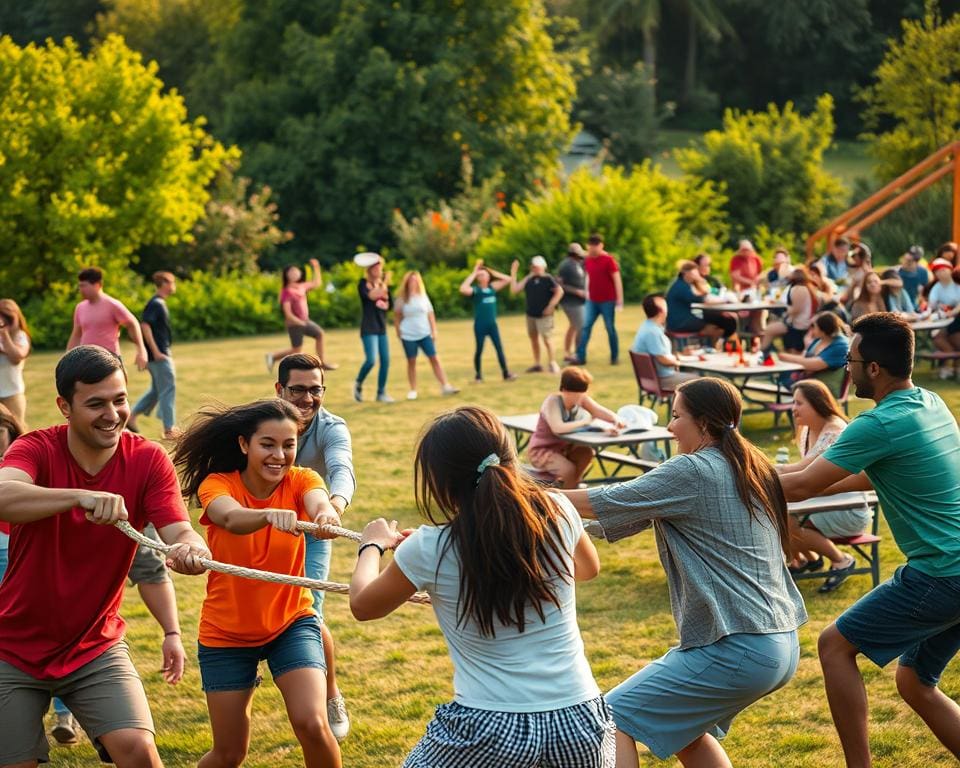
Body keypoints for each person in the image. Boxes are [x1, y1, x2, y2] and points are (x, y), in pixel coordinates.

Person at [349, 405, 616, 767]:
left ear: (441, 481)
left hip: (487, 725)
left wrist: (372, 546)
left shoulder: (429, 548)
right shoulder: (558, 508)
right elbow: (587, 569)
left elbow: (363, 605)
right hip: (579, 718)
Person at [561, 377, 806, 767]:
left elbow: (606, 500)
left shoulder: (691, 470)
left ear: (704, 424)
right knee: (685, 732)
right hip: (780, 643)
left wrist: (521, 495)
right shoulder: (747, 462)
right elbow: (625, 516)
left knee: (607, 719)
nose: (670, 426)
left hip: (739, 645)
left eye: (676, 416)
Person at [0, 345, 209, 768]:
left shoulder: (148, 459)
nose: (112, 414)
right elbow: (3, 495)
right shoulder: (36, 447)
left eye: (120, 400)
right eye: (95, 403)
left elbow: (179, 529)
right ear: (65, 406)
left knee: (139, 752)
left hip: (95, 645)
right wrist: (79, 496)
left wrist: (193, 548)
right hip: (12, 648)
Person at [780, 313, 960, 768]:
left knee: (834, 645)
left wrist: (714, 480)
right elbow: (849, 475)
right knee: (915, 679)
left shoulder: (876, 424)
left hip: (942, 573)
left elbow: (800, 488)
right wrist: (751, 467)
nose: (846, 368)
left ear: (873, 369)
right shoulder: (929, 403)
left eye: (851, 358)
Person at [173, 399, 343, 768]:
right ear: (243, 444)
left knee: (312, 723)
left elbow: (318, 501)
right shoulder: (217, 484)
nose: (279, 455)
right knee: (230, 753)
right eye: (268, 444)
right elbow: (229, 518)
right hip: (226, 634)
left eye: (289, 444)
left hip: (290, 622)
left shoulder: (302, 479)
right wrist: (266, 515)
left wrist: (327, 513)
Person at [275, 354, 355, 742]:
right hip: (263, 526)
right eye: (298, 389)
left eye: (315, 389)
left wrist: (333, 511)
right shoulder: (259, 423)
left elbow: (342, 469)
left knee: (309, 609)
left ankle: (330, 694)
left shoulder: (331, 427)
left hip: (313, 529)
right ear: (280, 390)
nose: (308, 398)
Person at [776, 379, 872, 592]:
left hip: (848, 507)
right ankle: (806, 559)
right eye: (793, 403)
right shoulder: (807, 430)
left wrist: (763, 472)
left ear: (817, 403)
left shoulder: (834, 432)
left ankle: (841, 560)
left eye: (799, 403)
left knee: (784, 518)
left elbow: (802, 469)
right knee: (775, 513)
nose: (793, 409)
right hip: (821, 500)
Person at [526, 366, 624, 489]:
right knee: (568, 470)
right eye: (577, 395)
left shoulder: (581, 399)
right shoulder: (553, 402)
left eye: (583, 394)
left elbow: (598, 411)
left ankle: (572, 486)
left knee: (586, 452)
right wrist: (585, 421)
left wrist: (615, 420)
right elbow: (558, 428)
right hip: (543, 451)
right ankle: (569, 495)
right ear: (565, 390)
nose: (580, 398)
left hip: (566, 449)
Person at [127, 272, 180, 439]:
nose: (174, 286)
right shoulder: (156, 303)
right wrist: (156, 351)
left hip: (156, 354)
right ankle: (169, 430)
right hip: (159, 355)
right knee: (168, 388)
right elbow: (145, 326)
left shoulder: (158, 303)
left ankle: (131, 416)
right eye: (172, 282)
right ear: (164, 283)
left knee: (157, 390)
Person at [67, 267, 148, 371]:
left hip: (110, 360)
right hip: (86, 360)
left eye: (84, 286)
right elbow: (76, 334)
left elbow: (132, 323)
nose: (80, 290)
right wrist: (68, 358)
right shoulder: (80, 307)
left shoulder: (112, 305)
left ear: (97, 285)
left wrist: (141, 350)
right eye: (79, 286)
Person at [394, 271, 459, 400]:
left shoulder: (423, 296)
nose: (414, 282)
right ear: (407, 283)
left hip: (424, 333)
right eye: (411, 280)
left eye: (416, 280)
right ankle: (413, 390)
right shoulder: (402, 298)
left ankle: (445, 386)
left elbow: (430, 314)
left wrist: (434, 330)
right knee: (411, 361)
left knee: (434, 358)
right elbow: (397, 317)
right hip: (408, 335)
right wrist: (399, 333)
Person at [266, 259, 337, 373]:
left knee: (319, 334)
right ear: (286, 275)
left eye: (296, 271)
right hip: (294, 323)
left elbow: (317, 283)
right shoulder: (286, 291)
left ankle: (322, 363)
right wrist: (299, 323)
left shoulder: (301, 286)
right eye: (291, 272)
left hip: (304, 321)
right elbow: (288, 313)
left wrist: (316, 267)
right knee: (296, 350)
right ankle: (273, 357)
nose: (295, 273)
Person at [458, 260, 517, 382]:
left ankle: (506, 374)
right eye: (481, 275)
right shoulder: (476, 291)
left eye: (485, 274)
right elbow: (463, 289)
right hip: (480, 325)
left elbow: (508, 279)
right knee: (479, 350)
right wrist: (474, 272)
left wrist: (491, 271)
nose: (484, 276)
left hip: (492, 325)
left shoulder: (492, 288)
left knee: (499, 349)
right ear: (478, 278)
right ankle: (478, 376)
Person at [574, 233, 624, 366]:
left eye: (596, 246)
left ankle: (614, 357)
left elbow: (617, 279)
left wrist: (620, 300)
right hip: (592, 301)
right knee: (586, 327)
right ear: (588, 246)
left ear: (601, 246)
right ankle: (580, 356)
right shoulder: (588, 259)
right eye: (591, 246)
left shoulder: (609, 260)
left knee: (609, 328)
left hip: (608, 300)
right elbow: (579, 253)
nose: (593, 249)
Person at [630, 294, 697, 390]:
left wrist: (680, 355)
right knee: (700, 381)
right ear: (661, 311)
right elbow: (663, 360)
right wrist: (681, 362)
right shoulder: (653, 332)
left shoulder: (647, 326)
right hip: (662, 379)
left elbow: (662, 355)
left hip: (651, 379)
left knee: (694, 376)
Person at [510, 255, 564, 373]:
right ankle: (537, 364)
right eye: (534, 267)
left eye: (538, 267)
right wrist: (513, 273)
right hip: (531, 314)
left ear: (543, 267)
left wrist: (551, 306)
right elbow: (514, 289)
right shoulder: (529, 279)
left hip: (544, 316)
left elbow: (559, 291)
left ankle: (552, 362)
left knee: (547, 339)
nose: (536, 269)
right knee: (533, 339)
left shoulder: (548, 278)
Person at [778, 311, 850, 396]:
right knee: (781, 381)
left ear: (823, 330)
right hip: (809, 384)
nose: (811, 329)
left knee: (783, 383)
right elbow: (805, 358)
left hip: (824, 390)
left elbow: (813, 365)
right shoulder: (820, 339)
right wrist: (806, 346)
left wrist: (784, 357)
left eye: (813, 326)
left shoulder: (841, 345)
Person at [666, 261, 738, 343]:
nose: (697, 274)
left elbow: (704, 294)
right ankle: (710, 347)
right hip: (680, 322)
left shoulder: (684, 284)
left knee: (721, 321)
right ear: (686, 273)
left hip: (682, 319)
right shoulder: (682, 287)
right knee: (716, 326)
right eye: (695, 272)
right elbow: (701, 299)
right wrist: (725, 301)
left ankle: (712, 345)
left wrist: (699, 281)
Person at [354, 255, 393, 403]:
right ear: (369, 269)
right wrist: (384, 283)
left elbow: (389, 305)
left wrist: (384, 288)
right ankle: (358, 383)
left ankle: (381, 393)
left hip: (381, 327)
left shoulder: (384, 285)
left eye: (380, 267)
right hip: (368, 327)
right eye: (376, 268)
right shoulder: (363, 283)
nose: (379, 270)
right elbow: (372, 296)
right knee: (371, 360)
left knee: (385, 360)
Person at [760, 267, 818, 353]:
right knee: (771, 328)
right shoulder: (807, 288)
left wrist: (784, 309)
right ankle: (768, 350)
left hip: (799, 326)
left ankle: (764, 351)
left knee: (770, 329)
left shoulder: (798, 289)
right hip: (801, 322)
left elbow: (796, 310)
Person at [926, 257, 960, 378]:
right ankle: (951, 365)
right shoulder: (936, 288)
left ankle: (950, 367)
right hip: (944, 321)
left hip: (956, 321)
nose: (940, 273)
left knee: (955, 337)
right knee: (938, 338)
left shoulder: (957, 284)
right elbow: (931, 305)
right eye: (937, 271)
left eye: (943, 270)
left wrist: (953, 312)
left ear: (950, 270)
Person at [0, 298, 31, 425]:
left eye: (9, 317)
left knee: (17, 434)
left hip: (12, 395)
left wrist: (5, 335)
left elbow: (17, 357)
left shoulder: (20, 336)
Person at [556, 243, 588, 362]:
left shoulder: (577, 263)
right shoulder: (566, 265)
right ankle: (578, 354)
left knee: (573, 326)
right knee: (581, 326)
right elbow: (559, 284)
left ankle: (567, 353)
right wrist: (577, 291)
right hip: (570, 302)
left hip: (578, 302)